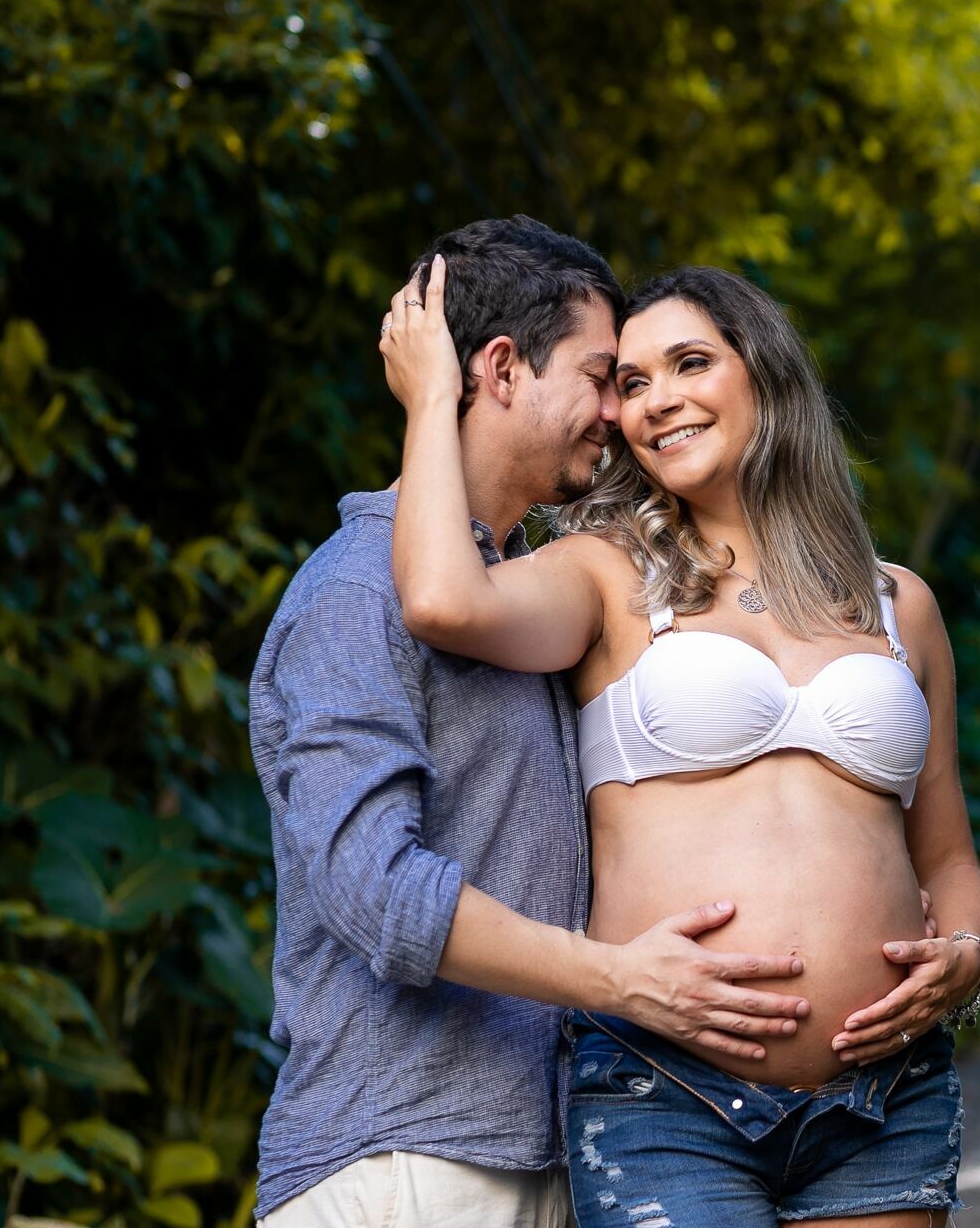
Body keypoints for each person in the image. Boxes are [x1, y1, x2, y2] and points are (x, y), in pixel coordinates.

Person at [381, 259, 980, 1225]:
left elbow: (949, 858)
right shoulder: (604, 573)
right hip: (668, 1094)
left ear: (764, 372)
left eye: (689, 364)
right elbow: (442, 599)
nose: (657, 401)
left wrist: (965, 953)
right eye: (630, 384)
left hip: (889, 1095)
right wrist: (430, 400)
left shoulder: (899, 605)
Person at [249, 218, 815, 1228]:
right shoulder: (350, 592)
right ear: (502, 368)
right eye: (604, 375)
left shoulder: (538, 601)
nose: (621, 410)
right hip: (405, 1160)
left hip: (548, 1150)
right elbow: (375, 887)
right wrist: (621, 977)